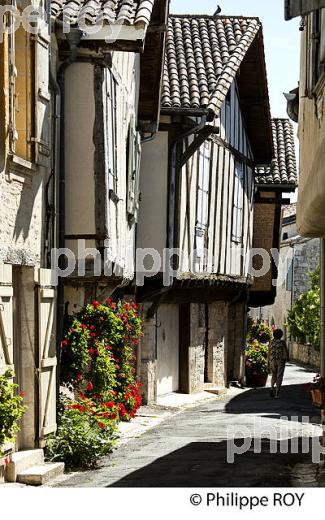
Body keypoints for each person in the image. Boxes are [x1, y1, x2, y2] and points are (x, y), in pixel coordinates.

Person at [268, 329, 289, 398]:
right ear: (281, 335)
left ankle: (271, 388)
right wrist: (287, 358)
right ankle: (277, 394)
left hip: (272, 360)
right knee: (279, 376)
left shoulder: (271, 342)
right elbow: (286, 350)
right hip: (280, 360)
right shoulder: (282, 342)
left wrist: (268, 361)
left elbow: (269, 352)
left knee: (274, 375)